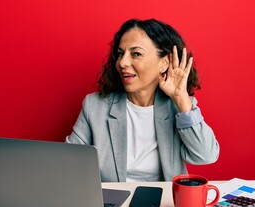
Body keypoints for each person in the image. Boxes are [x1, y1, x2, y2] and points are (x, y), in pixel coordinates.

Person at [66, 18, 219, 182]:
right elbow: (68, 162)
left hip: (163, 201)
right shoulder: (94, 106)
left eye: (136, 54)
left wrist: (181, 98)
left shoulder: (180, 107)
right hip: (111, 200)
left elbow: (206, 156)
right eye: (120, 53)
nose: (123, 62)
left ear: (164, 62)